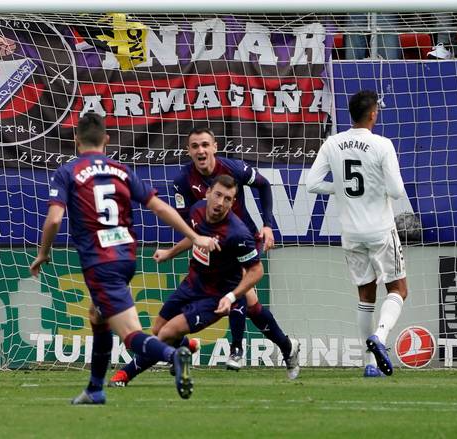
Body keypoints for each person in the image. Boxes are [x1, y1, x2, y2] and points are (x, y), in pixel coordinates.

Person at [29, 113, 219, 404]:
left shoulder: (67, 172)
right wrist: (195, 237)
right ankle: (95, 389)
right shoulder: (121, 169)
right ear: (106, 140)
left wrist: (43, 252)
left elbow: (54, 219)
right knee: (98, 314)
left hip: (99, 261)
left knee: (130, 333)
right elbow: (159, 208)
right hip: (126, 257)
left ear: (76, 139)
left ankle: (173, 355)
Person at [110, 175, 298, 386]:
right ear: (208, 193)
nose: (220, 202)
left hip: (215, 295)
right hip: (193, 282)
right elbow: (194, 235)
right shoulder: (197, 209)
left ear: (233, 202)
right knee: (157, 329)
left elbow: (256, 271)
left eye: (228, 199)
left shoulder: (237, 234)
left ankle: (124, 375)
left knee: (166, 333)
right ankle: (185, 347)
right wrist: (170, 253)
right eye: (218, 195)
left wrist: (231, 296)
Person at [170, 127, 298, 372]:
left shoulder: (233, 169)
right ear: (188, 151)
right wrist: (196, 241)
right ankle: (287, 345)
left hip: (243, 239)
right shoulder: (182, 181)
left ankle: (236, 349)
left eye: (205, 145)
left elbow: (264, 185)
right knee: (251, 304)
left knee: (236, 287)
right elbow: (187, 222)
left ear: (215, 147)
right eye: (195, 146)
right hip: (211, 245)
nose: (201, 150)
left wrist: (268, 225)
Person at [305, 89, 408, 378]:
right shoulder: (382, 144)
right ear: (373, 113)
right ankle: (381, 338)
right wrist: (378, 188)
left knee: (366, 295)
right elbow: (397, 191)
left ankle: (370, 364)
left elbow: (312, 184)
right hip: (380, 229)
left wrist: (338, 188)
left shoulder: (332, 143)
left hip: (350, 233)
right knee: (399, 289)